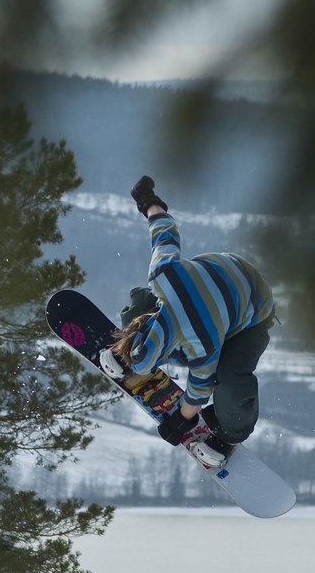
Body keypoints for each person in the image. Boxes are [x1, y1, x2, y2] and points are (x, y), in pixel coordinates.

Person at [99, 175, 276, 468]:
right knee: (138, 308)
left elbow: (200, 385)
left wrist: (184, 419)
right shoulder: (162, 275)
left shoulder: (203, 343)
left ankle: (228, 432)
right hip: (211, 279)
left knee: (230, 380)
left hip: (251, 314)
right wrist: (148, 202)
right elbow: (164, 233)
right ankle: (127, 351)